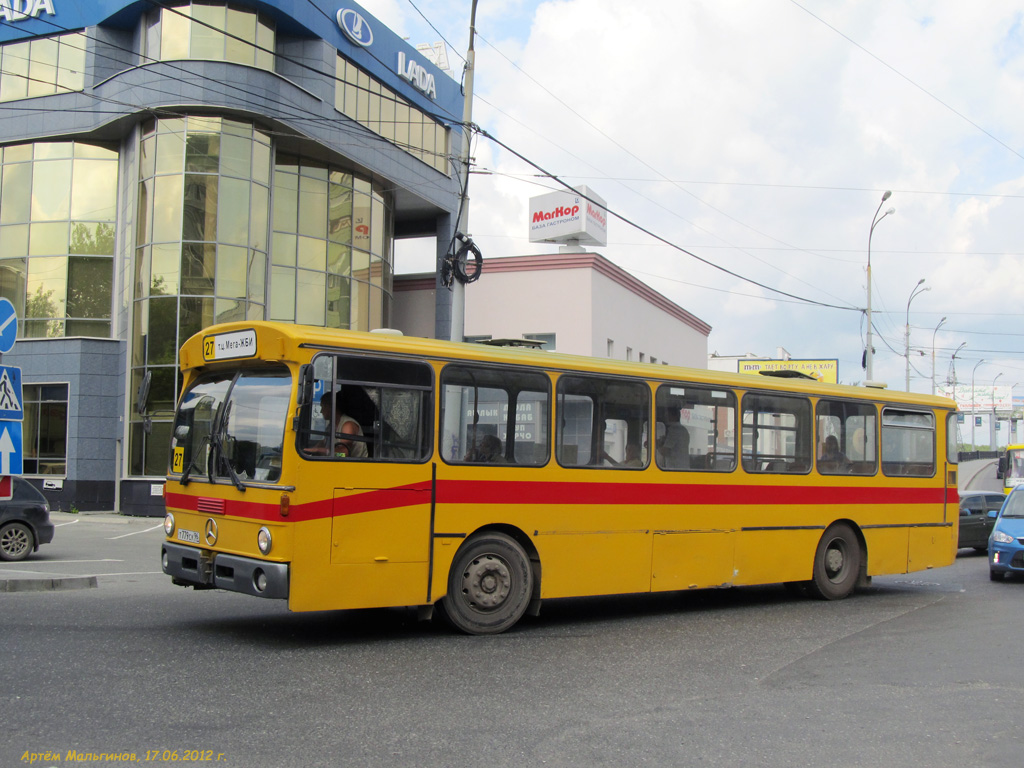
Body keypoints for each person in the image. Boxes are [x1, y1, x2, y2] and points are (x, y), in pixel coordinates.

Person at [310, 391, 367, 458]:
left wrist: (319, 450)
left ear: (331, 407)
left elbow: (343, 454)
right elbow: (323, 442)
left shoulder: (348, 425)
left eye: (323, 407)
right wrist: (310, 451)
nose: (321, 411)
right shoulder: (331, 426)